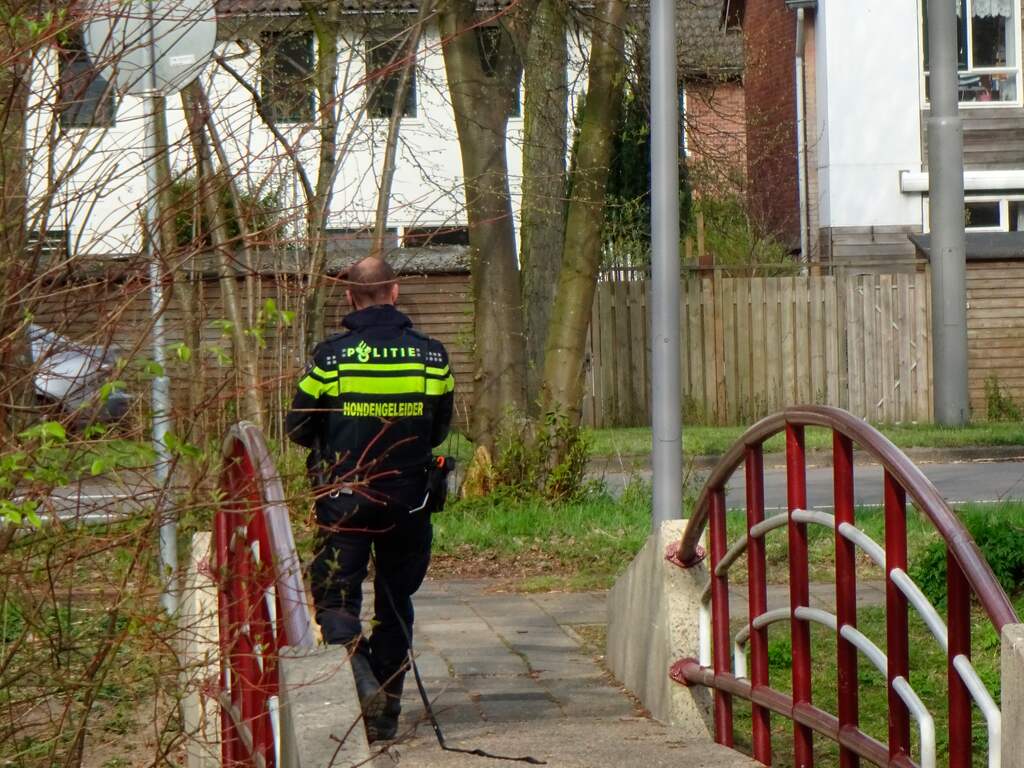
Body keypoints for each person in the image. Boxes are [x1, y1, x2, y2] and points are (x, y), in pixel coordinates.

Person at [285, 256, 455, 741]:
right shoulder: (432, 357)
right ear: (395, 292)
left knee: (336, 599)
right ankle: (387, 712)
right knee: (396, 601)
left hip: (344, 503)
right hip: (409, 504)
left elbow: (298, 427)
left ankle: (361, 684)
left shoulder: (331, 358)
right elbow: (438, 430)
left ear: (348, 297)